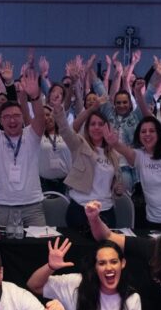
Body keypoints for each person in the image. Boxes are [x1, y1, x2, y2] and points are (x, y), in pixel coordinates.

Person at [0, 69, 49, 226]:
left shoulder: (31, 135)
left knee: (39, 247)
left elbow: (41, 118)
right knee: (6, 249)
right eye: (7, 117)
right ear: (1, 121)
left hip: (33, 205)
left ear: (22, 118)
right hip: (4, 206)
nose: (12, 120)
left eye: (16, 116)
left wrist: (35, 96)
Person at [50, 95, 123, 228]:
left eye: (101, 124)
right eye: (93, 124)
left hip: (106, 210)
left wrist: (117, 189)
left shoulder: (113, 154)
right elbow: (66, 130)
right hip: (81, 209)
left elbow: (113, 184)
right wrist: (58, 110)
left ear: (107, 128)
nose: (96, 127)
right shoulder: (79, 145)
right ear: (87, 128)